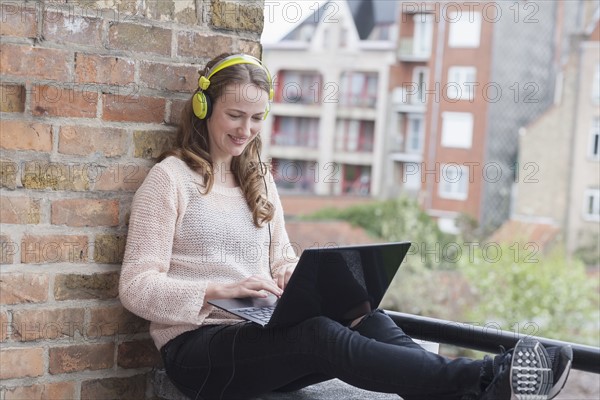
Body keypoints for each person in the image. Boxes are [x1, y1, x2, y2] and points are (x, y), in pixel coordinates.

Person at [119, 53, 573, 400]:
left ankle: (482, 386)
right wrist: (218, 290)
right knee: (321, 334)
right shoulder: (170, 180)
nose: (246, 130)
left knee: (363, 317)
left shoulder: (256, 179)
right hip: (197, 352)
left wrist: (292, 276)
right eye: (235, 116)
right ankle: (484, 378)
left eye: (257, 118)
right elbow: (136, 286)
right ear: (203, 107)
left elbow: (280, 258)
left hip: (259, 333)